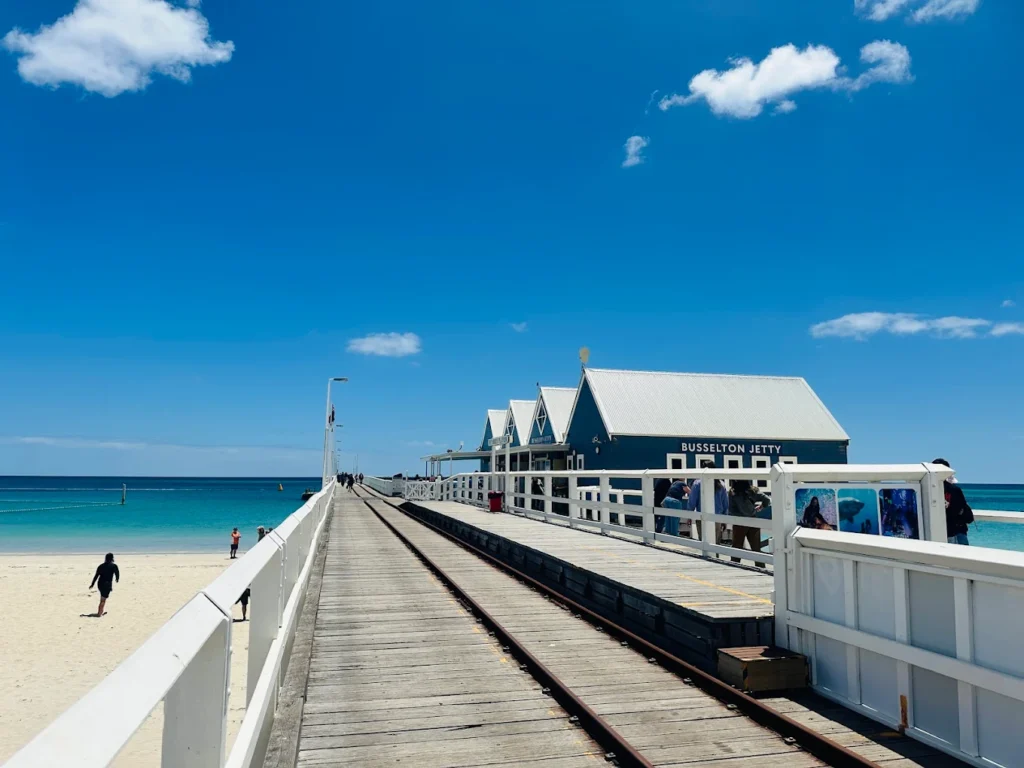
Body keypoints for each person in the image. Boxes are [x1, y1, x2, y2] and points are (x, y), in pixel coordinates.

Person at [729, 480, 771, 568]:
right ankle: (761, 567)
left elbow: (735, 508)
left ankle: (734, 566)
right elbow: (767, 499)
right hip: (753, 521)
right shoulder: (753, 491)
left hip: (739, 522)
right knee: (756, 547)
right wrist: (761, 507)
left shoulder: (733, 492)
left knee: (737, 546)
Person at [687, 461, 729, 542]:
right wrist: (725, 518)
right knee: (716, 543)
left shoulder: (697, 483)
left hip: (702, 516)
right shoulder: (721, 484)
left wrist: (689, 515)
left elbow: (692, 501)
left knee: (703, 541)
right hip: (717, 517)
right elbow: (725, 503)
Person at [934, 458, 973, 545]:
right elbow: (961, 508)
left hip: (940, 532)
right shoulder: (954, 489)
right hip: (957, 531)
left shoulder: (929, 490)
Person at [89, 553, 120, 617]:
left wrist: (92, 584)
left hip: (100, 584)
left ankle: (100, 611)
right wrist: (117, 579)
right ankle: (99, 613)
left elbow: (96, 576)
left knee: (102, 598)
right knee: (103, 599)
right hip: (107, 585)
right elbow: (117, 573)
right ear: (112, 558)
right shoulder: (114, 566)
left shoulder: (101, 566)